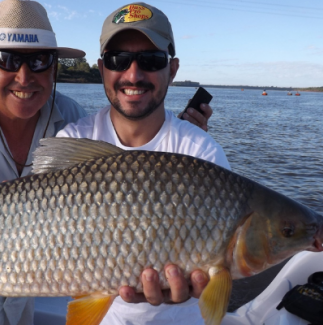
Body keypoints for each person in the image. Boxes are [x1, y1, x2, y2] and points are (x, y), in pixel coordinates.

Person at [0, 0, 211, 324]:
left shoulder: (72, 122)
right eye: (7, 59)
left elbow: (118, 195)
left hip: (18, 303)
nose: (24, 76)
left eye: (38, 61)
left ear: (54, 67)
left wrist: (178, 150)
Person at [55, 2, 230, 325]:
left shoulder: (202, 152)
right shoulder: (72, 140)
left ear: (173, 69)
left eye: (151, 60)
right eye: (118, 60)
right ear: (101, 68)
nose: (133, 74)